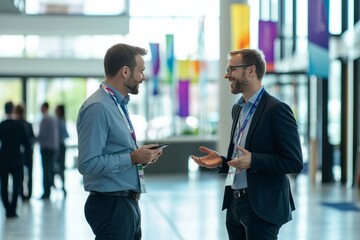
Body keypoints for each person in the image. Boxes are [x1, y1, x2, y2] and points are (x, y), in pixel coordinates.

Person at [191, 48, 303, 240]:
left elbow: (294, 162)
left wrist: (254, 161)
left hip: (262, 206)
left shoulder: (277, 110)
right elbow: (242, 159)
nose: (227, 75)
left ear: (251, 70)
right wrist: (222, 161)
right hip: (235, 204)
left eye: (232, 69)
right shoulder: (238, 109)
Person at [76, 43, 164, 240]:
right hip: (111, 206)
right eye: (141, 71)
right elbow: (87, 164)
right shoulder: (98, 107)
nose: (143, 77)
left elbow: (115, 152)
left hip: (126, 203)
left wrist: (141, 157)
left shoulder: (117, 105)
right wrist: (132, 157)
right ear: (125, 71)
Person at [0, 101, 30, 217]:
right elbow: (27, 144)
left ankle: (7, 209)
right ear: (13, 110)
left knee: (3, 185)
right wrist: (26, 159)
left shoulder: (1, 125)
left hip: (3, 159)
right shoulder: (19, 126)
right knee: (17, 184)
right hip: (17, 158)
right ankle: (13, 209)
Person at [14, 104, 36, 201]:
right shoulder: (28, 124)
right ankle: (29, 194)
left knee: (20, 174)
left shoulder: (15, 124)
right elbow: (32, 139)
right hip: (28, 152)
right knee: (29, 174)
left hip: (18, 153)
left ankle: (21, 193)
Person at [38, 102, 59, 200]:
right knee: (49, 169)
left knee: (45, 170)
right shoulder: (53, 118)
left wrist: (33, 140)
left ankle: (46, 192)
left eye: (41, 107)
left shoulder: (45, 119)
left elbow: (41, 135)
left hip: (46, 148)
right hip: (52, 147)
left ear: (45, 108)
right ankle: (49, 189)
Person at [54, 104, 69, 197]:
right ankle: (61, 187)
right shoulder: (62, 120)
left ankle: (59, 186)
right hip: (61, 146)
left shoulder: (59, 121)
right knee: (60, 167)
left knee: (58, 167)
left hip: (59, 146)